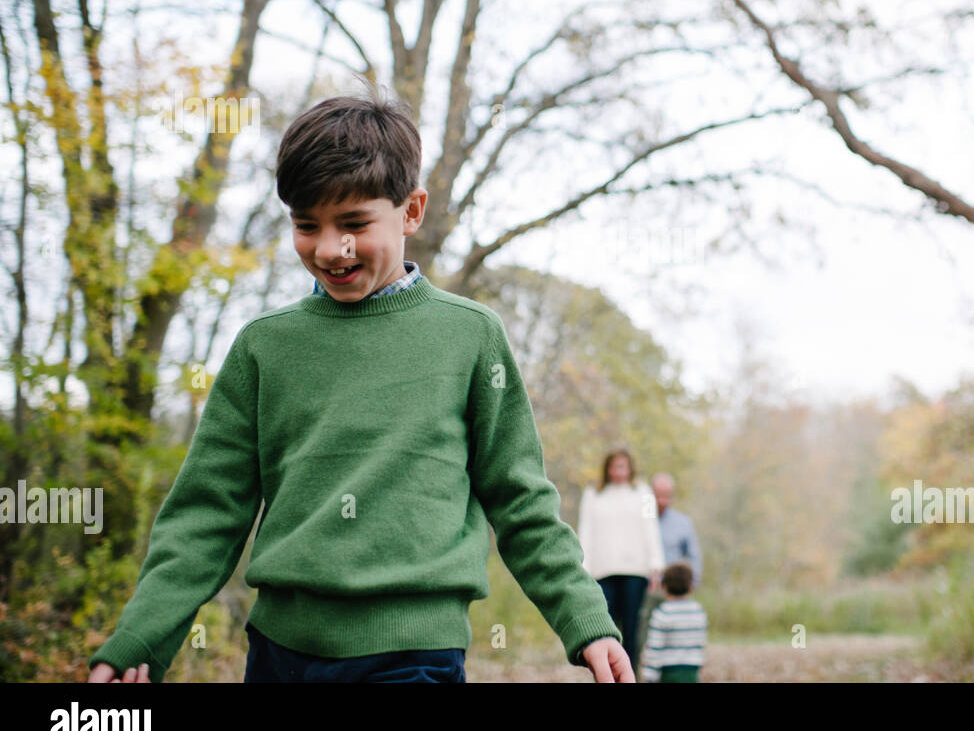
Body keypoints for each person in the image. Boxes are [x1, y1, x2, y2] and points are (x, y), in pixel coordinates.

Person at [86, 91, 631, 683]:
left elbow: (520, 501)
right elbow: (205, 515)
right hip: (280, 655)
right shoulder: (264, 348)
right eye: (305, 225)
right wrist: (141, 636)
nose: (328, 249)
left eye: (353, 224)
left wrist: (586, 618)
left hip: (413, 654)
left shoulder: (469, 337)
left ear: (412, 211)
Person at [577, 448, 664, 675]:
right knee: (605, 628)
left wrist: (656, 565)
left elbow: (651, 529)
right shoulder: (593, 494)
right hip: (603, 571)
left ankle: (630, 675)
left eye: (623, 466)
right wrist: (584, 568)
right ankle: (606, 676)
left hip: (635, 570)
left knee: (633, 628)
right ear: (607, 468)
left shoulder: (644, 493)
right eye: (615, 467)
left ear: (630, 468)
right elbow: (585, 531)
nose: (619, 471)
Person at [635, 471, 702, 673]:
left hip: (675, 592)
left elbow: (694, 556)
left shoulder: (682, 522)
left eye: (667, 495)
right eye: (658, 495)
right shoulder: (641, 518)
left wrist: (691, 584)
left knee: (676, 639)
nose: (662, 500)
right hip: (645, 589)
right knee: (641, 636)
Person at [639, 561, 707, 683]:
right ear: (691, 587)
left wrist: (649, 674)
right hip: (692, 671)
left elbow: (655, 646)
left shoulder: (662, 613)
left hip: (668, 672)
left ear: (664, 587)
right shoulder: (699, 611)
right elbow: (700, 642)